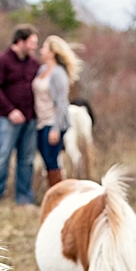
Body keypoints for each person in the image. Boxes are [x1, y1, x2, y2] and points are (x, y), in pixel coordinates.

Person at [0, 24, 40, 207]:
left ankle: (24, 197)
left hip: (30, 119)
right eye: (31, 43)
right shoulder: (1, 61)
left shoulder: (34, 64)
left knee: (27, 159)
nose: (34, 47)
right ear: (20, 41)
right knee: (3, 156)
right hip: (8, 119)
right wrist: (10, 110)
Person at [33, 35, 83, 189]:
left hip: (53, 122)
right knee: (47, 160)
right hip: (40, 122)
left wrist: (56, 128)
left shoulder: (59, 73)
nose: (41, 50)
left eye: (44, 48)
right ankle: (55, 192)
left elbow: (62, 102)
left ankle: (59, 194)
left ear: (52, 53)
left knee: (52, 159)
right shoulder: (42, 70)